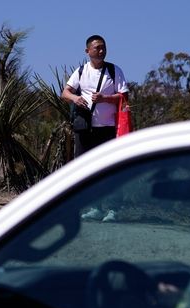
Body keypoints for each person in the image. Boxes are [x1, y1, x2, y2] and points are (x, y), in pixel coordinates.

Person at [61, 34, 128, 222]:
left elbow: (124, 97)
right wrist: (75, 98)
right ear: (87, 51)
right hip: (85, 129)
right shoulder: (81, 71)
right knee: (85, 169)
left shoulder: (114, 71)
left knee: (109, 169)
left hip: (108, 129)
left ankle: (113, 209)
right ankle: (95, 207)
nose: (101, 50)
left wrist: (105, 98)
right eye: (97, 47)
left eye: (103, 47)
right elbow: (65, 92)